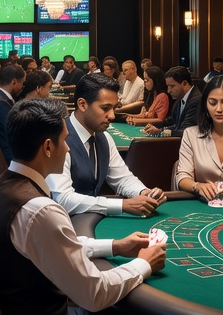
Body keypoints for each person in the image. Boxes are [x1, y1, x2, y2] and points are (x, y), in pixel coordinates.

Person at [0, 98, 191, 315]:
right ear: (47, 147)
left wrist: (116, 246)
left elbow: (54, 247)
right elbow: (93, 293)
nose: (67, 148)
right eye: (64, 141)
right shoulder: (39, 210)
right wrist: (143, 263)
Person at [47, 73, 166, 216]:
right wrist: (122, 205)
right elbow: (62, 199)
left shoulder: (105, 138)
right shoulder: (58, 139)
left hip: (90, 222)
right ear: (82, 104)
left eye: (114, 108)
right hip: (61, 225)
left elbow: (122, 178)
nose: (112, 115)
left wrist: (144, 192)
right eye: (105, 108)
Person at [0, 64, 26, 161]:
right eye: (22, 83)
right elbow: (16, 133)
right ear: (14, 82)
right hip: (9, 158)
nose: (22, 87)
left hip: (7, 153)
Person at [160, 66, 203, 134]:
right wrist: (155, 126)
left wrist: (161, 131)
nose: (169, 91)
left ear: (184, 83)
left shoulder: (196, 101)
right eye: (168, 86)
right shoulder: (180, 98)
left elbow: (185, 131)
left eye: (172, 86)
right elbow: (173, 122)